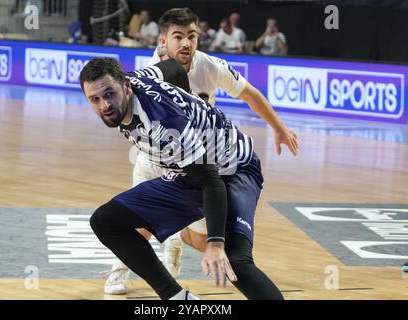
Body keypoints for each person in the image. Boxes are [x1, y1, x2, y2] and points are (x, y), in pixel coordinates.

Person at [104, 7, 299, 296]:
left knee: (204, 237)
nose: (185, 43)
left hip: (200, 159)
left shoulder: (210, 65)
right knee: (138, 222)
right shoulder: (153, 72)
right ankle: (118, 273)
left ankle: (175, 239)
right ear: (163, 41)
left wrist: (279, 127)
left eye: (191, 36)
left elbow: (250, 94)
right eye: (178, 36)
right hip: (156, 157)